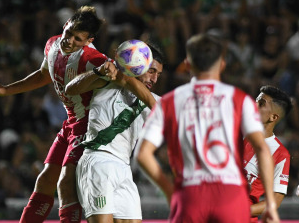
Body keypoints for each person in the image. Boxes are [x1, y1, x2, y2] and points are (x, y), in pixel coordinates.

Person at [0, 6, 155, 223]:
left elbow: (126, 81)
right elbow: (44, 74)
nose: (69, 41)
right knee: (45, 181)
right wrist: (7, 89)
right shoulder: (52, 44)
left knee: (66, 182)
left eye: (77, 39)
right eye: (68, 33)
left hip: (89, 125)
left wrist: (156, 106)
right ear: (65, 25)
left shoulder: (95, 60)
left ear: (89, 41)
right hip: (70, 122)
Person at [136, 33, 280, 223]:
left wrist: (170, 191)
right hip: (231, 195)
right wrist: (270, 203)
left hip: (190, 195)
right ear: (222, 64)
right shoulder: (240, 99)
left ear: (187, 64)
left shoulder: (170, 101)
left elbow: (143, 154)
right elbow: (262, 149)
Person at [65, 44, 164, 223]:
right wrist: (98, 72)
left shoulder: (154, 101)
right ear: (137, 64)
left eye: (158, 74)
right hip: (98, 161)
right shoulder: (106, 81)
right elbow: (70, 89)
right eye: (151, 71)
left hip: (124, 168)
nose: (155, 79)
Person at [244, 85, 292, 222]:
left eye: (261, 104)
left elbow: (274, 203)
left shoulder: (280, 154)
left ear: (273, 117)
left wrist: (240, 209)